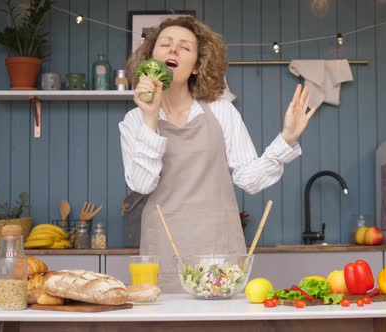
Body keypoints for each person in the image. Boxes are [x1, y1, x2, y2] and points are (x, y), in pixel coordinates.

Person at [120, 16, 317, 293]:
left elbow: (250, 179)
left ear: (197, 66)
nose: (173, 50)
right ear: (151, 58)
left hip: (218, 247)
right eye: (165, 44)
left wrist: (286, 139)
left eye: (184, 47)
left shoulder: (222, 111)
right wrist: (150, 118)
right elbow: (142, 184)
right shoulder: (134, 120)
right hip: (163, 249)